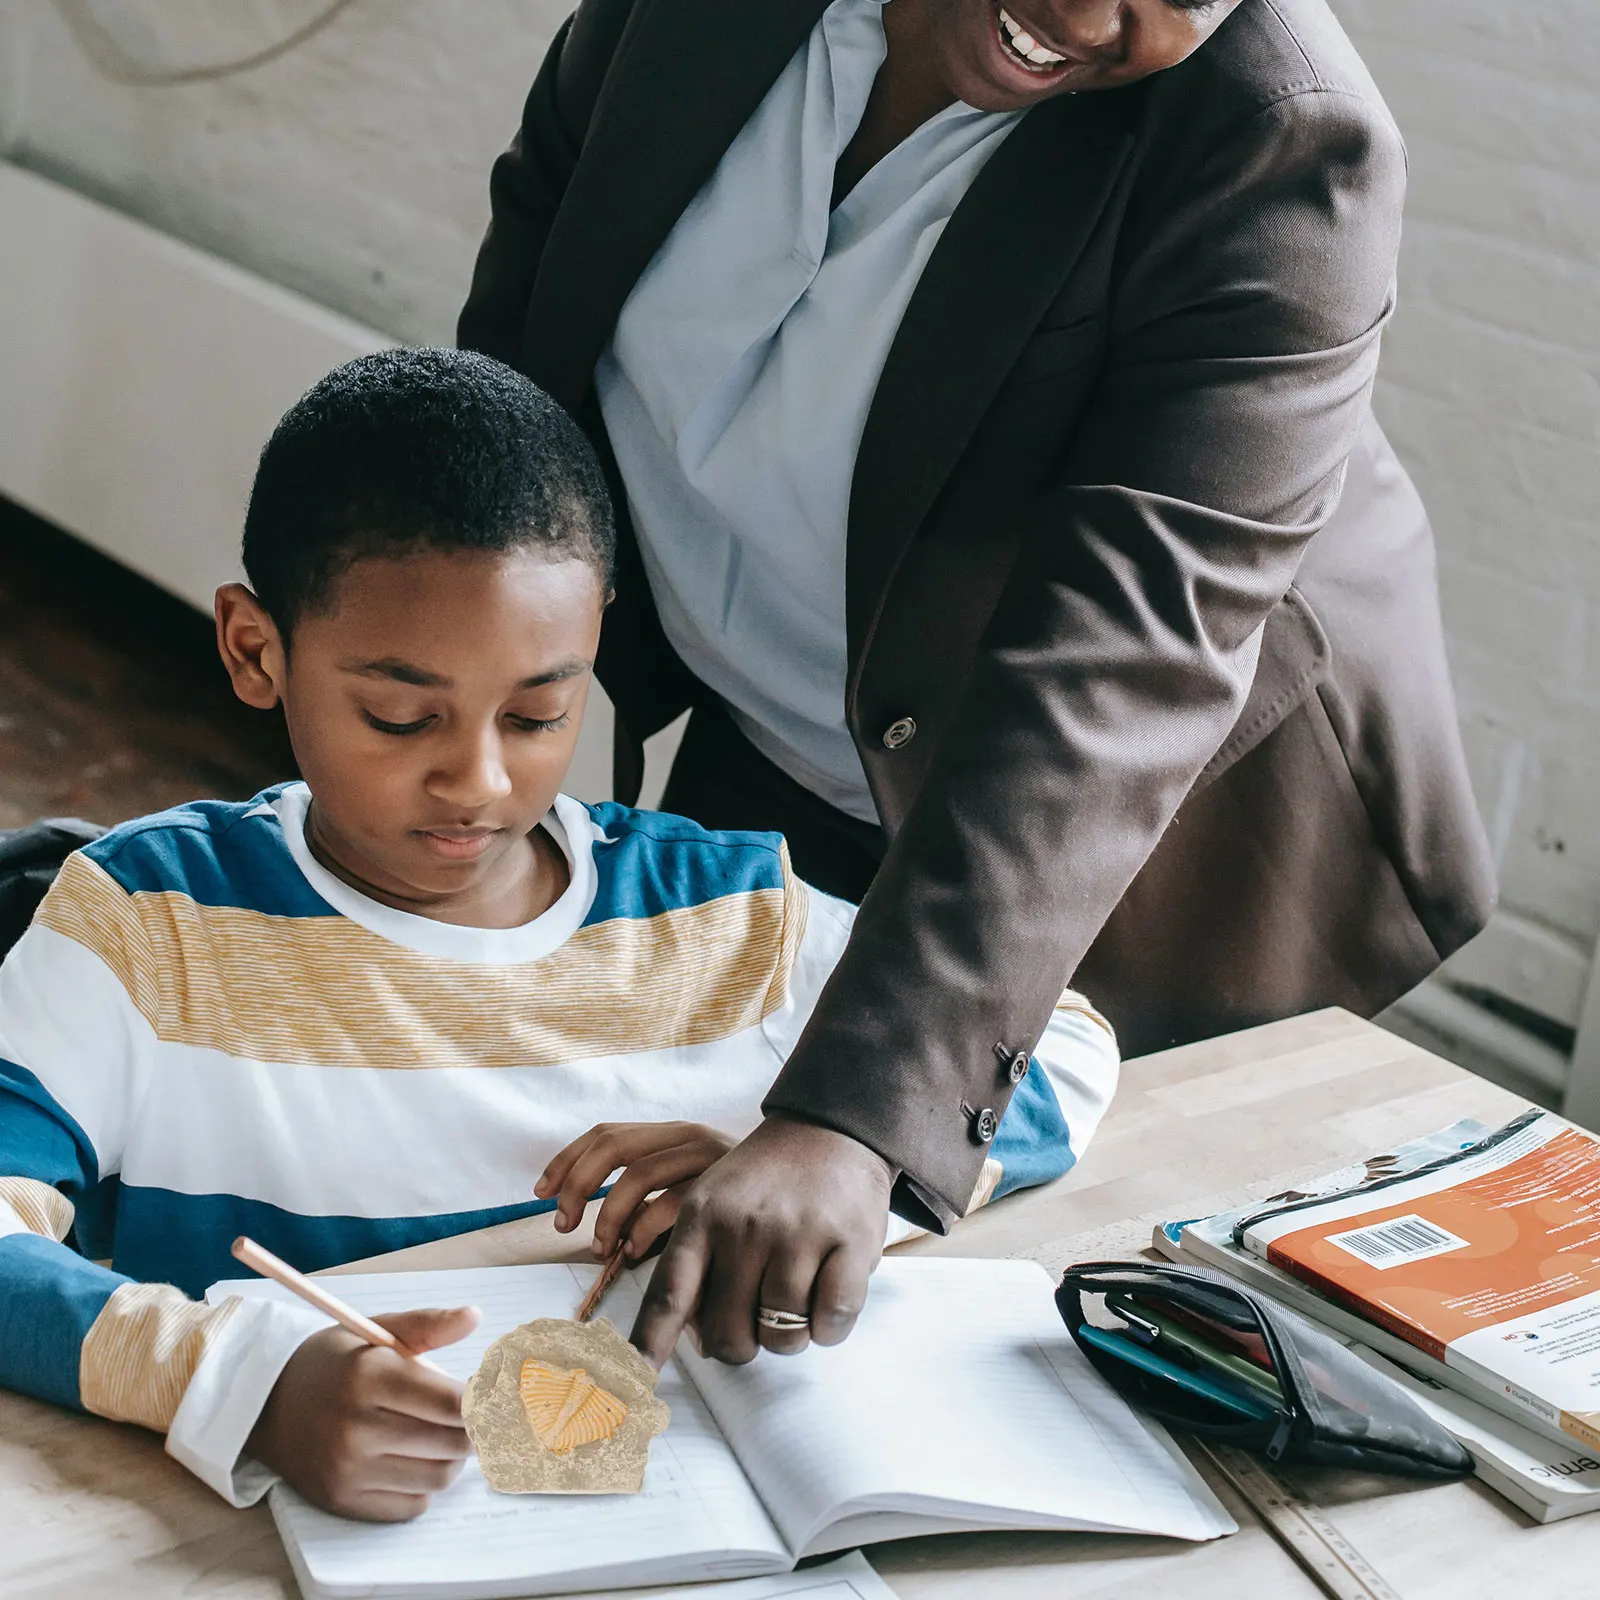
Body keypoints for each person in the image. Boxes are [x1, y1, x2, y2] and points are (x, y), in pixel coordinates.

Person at [458, 0, 1496, 1368]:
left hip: (1138, 874)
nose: (1083, 12)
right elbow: (541, 282)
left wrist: (861, 1117)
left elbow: (1125, 659)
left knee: (1047, 1371)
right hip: (775, 737)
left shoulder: (1277, 136)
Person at [0, 348, 1118, 1522]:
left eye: (540, 711)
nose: (479, 781)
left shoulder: (720, 912)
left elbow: (1069, 1049)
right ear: (254, 650)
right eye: (399, 715)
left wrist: (822, 1158)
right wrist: (242, 1380)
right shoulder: (146, 927)